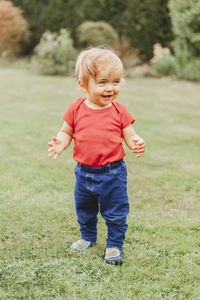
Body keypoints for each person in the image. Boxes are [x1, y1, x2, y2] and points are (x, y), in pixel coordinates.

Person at [48, 47, 146, 265]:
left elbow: (130, 135)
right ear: (83, 84)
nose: (110, 88)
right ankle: (88, 237)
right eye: (102, 82)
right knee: (85, 210)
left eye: (116, 81)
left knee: (115, 212)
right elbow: (66, 132)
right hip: (83, 173)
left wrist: (137, 143)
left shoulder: (120, 111)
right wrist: (60, 143)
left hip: (112, 174)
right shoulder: (76, 109)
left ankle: (114, 246)